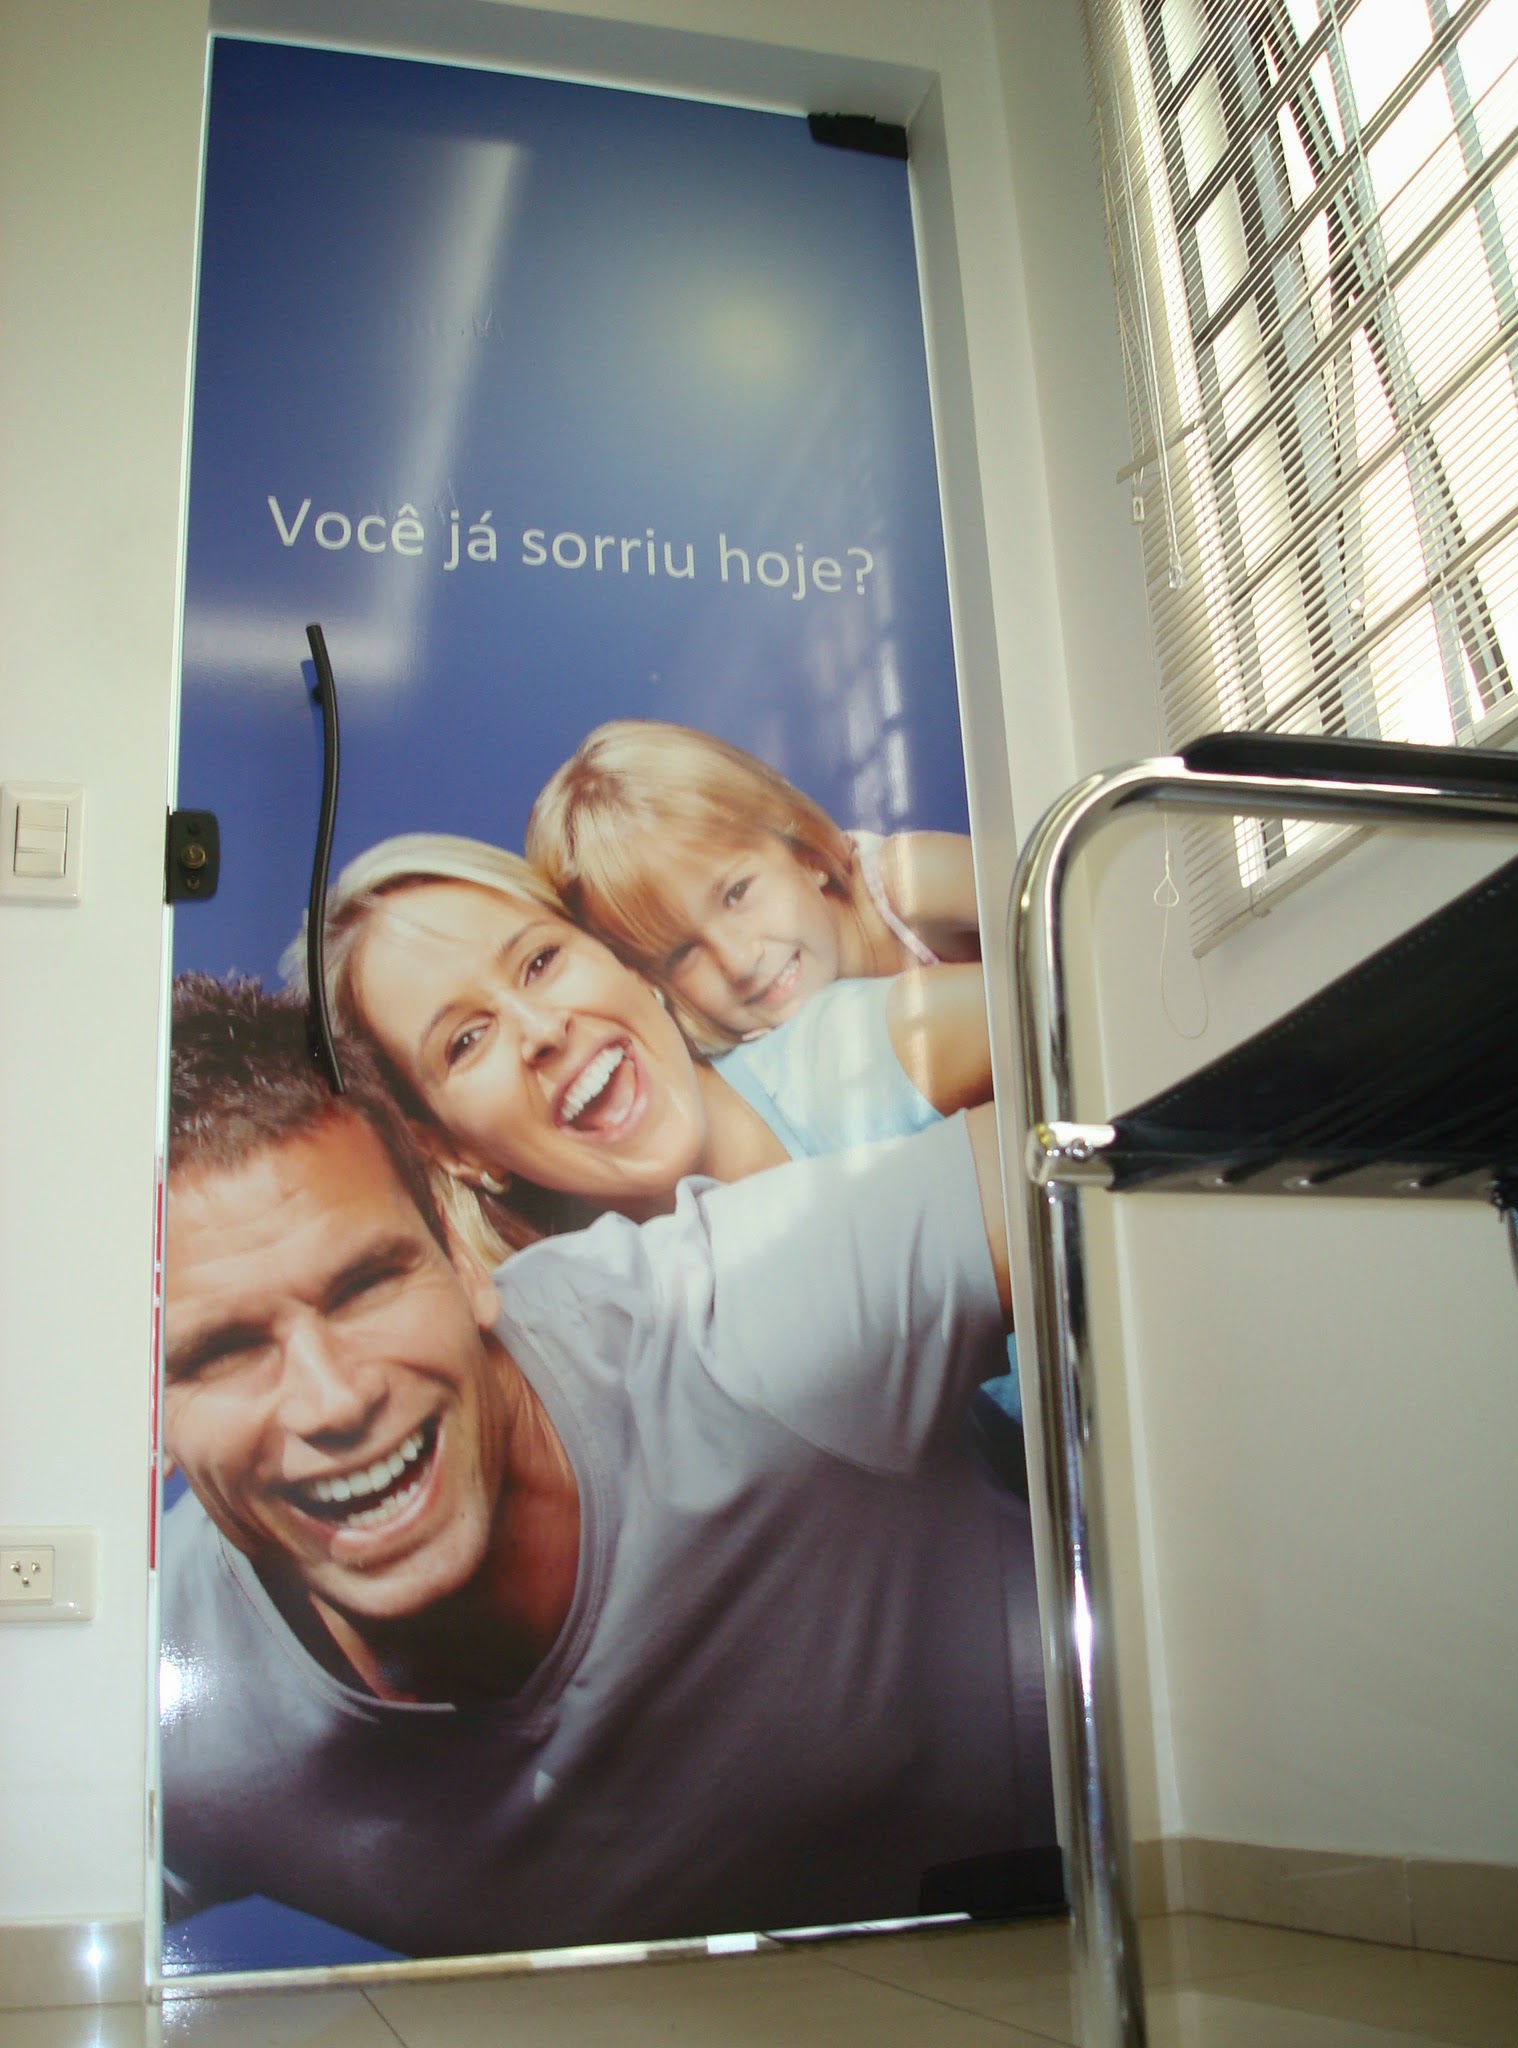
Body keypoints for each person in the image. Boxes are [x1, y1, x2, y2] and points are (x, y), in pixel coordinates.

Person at [160, 976, 1056, 1956]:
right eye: (222, 1352)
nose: (333, 1400)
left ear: (462, 1263)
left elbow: (1105, 1143)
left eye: (368, 1284)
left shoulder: (726, 1326)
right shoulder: (172, 1709)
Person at [285, 835, 991, 1267]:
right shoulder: (598, 1359)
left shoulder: (871, 1053)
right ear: (455, 1151)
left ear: (624, 963)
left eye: (540, 962)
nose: (541, 1030)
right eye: (466, 1041)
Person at [525, 719, 980, 1053]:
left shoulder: (912, 883)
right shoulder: (735, 1045)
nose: (739, 962)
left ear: (804, 851)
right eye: (682, 953)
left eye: (736, 893)